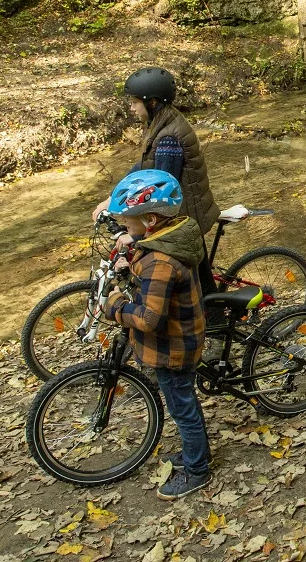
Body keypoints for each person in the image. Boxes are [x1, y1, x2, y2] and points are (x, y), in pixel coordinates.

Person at [102, 169, 215, 499]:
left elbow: (150, 319)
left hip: (173, 349)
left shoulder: (160, 262)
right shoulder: (167, 240)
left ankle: (197, 470)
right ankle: (196, 453)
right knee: (185, 406)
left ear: (150, 220)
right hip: (181, 338)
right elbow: (149, 263)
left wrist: (116, 307)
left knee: (183, 410)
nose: (125, 226)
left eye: (128, 221)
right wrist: (132, 260)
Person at [93, 67, 220, 295]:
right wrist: (111, 199)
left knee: (189, 290)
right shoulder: (161, 124)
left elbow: (160, 195)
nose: (131, 108)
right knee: (199, 284)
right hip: (186, 215)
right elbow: (143, 169)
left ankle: (209, 322)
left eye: (134, 102)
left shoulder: (168, 139)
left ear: (151, 102)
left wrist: (134, 235)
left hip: (183, 220)